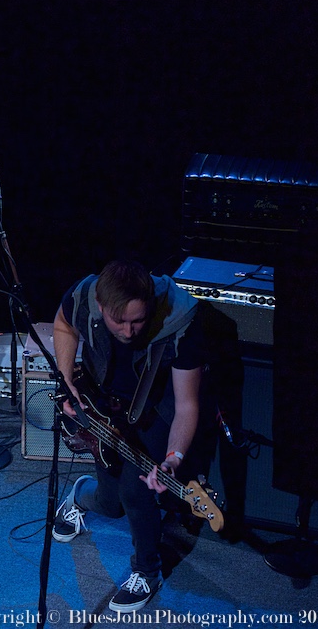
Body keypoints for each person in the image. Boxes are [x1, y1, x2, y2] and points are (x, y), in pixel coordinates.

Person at [51, 259, 204, 612]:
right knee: (111, 504)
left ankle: (148, 572)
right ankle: (80, 494)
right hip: (106, 407)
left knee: (136, 490)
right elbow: (63, 323)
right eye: (118, 321)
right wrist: (66, 380)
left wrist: (173, 458)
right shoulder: (83, 296)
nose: (129, 331)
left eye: (137, 320)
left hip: (155, 410)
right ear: (100, 306)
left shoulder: (181, 320)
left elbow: (187, 406)